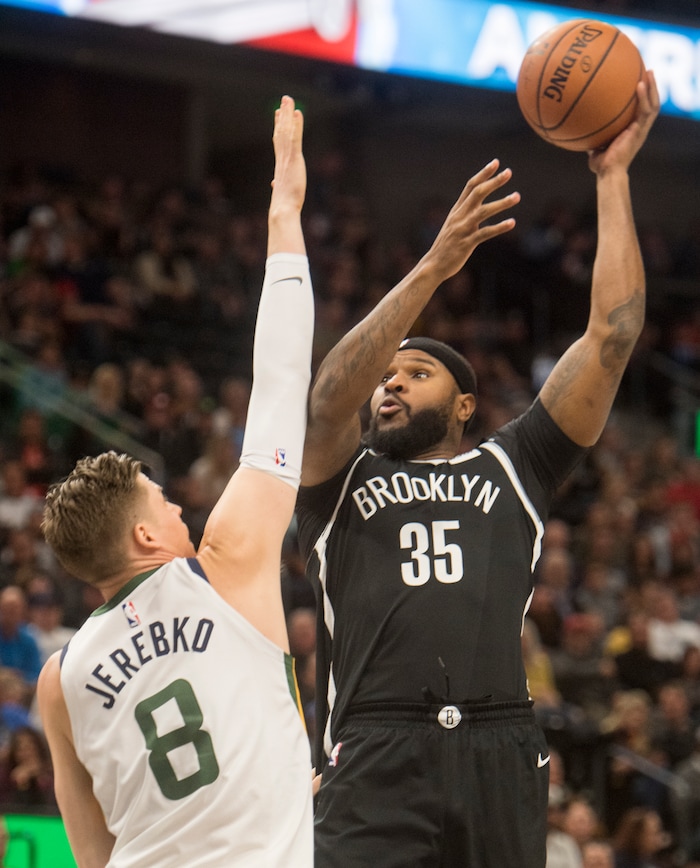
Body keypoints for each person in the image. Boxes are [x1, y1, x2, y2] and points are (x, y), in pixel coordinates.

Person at [296, 73, 660, 867]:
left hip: (500, 743)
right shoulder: (340, 481)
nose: (391, 383)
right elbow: (326, 401)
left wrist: (613, 177)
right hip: (376, 745)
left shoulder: (514, 466)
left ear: (465, 404)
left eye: (416, 372)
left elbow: (612, 336)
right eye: (386, 376)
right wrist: (433, 267)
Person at [35, 96, 315, 867]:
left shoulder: (59, 682)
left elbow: (90, 853)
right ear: (143, 533)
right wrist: (284, 213)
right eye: (165, 502)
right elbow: (281, 382)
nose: (182, 508)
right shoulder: (224, 568)